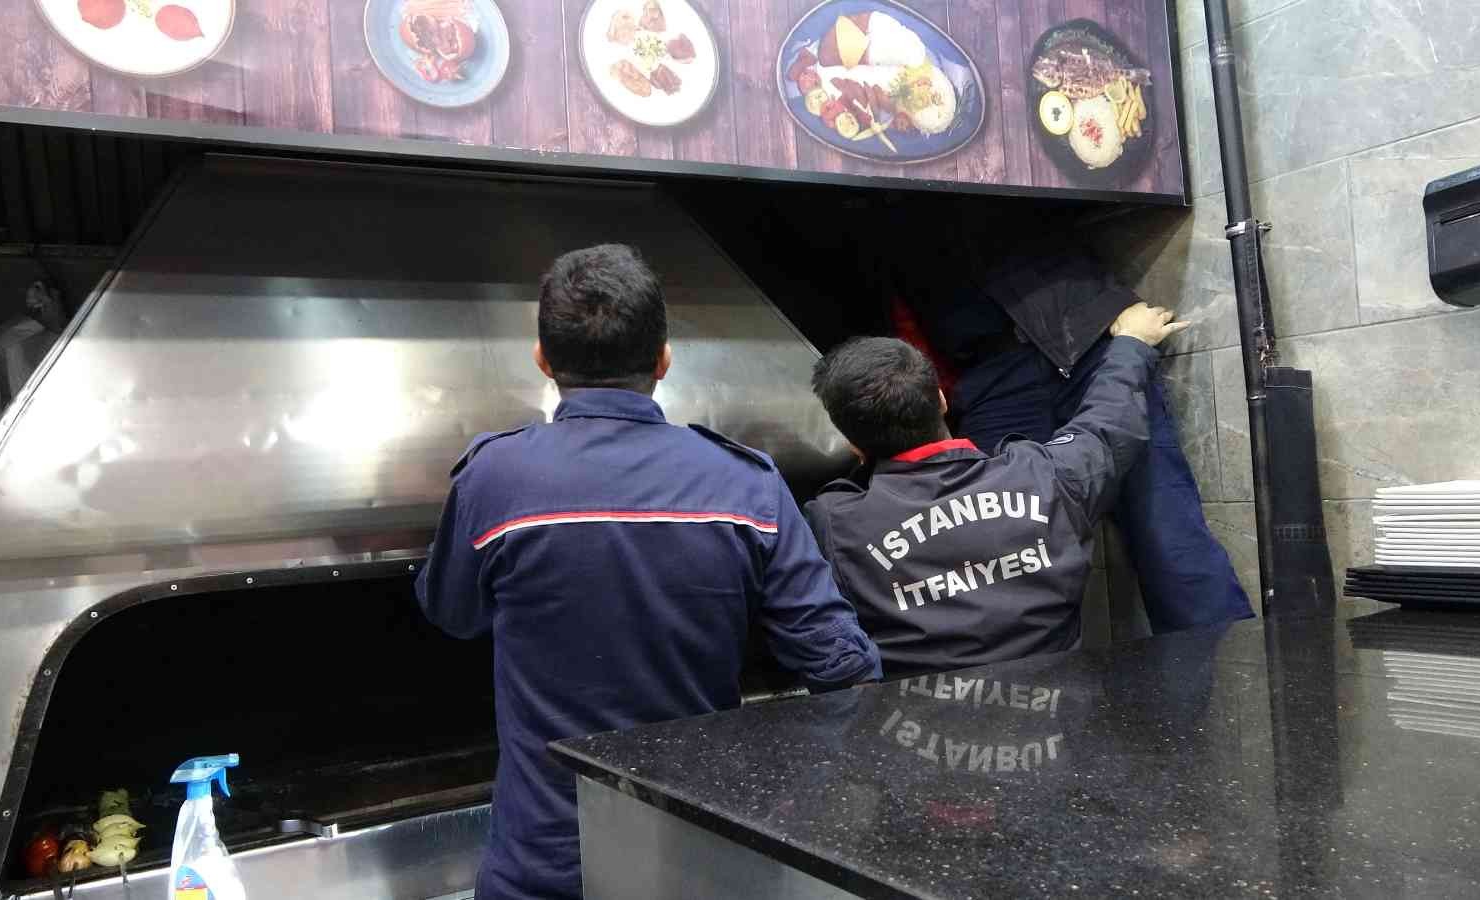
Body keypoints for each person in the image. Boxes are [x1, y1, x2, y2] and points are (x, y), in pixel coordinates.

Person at [416, 244, 883, 900]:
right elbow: (844, 671)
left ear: (543, 360)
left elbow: (452, 614)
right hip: (696, 857)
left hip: (545, 867)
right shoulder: (747, 484)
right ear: (664, 359)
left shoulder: (493, 477)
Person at [890, 228, 1254, 634]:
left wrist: (1110, 302)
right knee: (991, 547)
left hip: (1089, 341)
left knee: (1166, 527)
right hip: (989, 374)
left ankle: (1236, 680)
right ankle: (1012, 691)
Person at [803, 302, 1184, 677]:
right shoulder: (1047, 477)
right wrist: (1131, 343)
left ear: (851, 443)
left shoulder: (834, 523)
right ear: (940, 399)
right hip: (1060, 729)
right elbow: (1109, 424)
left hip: (913, 729)